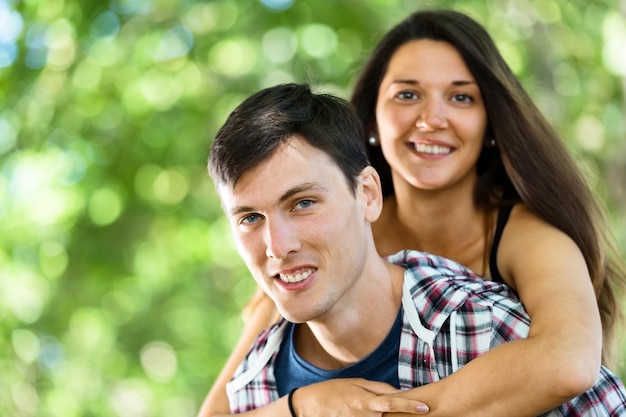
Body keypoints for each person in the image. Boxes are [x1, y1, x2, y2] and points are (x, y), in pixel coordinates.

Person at [199, 9, 626, 416]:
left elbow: (568, 362)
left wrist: (386, 412)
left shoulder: (526, 238)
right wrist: (305, 406)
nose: (431, 118)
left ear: (491, 123)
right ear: (370, 122)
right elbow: (229, 401)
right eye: (407, 94)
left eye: (461, 97)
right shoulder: (327, 235)